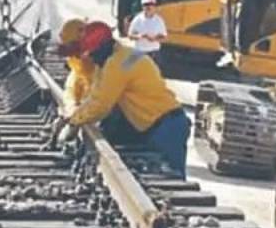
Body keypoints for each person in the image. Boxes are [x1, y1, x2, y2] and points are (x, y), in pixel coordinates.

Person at [55, 20, 191, 178]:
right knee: (165, 176)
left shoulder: (117, 65)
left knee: (172, 178)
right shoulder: (119, 56)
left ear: (101, 49)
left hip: (167, 126)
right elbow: (94, 94)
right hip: (158, 124)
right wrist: (74, 113)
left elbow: (101, 104)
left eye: (92, 54)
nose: (90, 59)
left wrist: (73, 122)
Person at [127, 0, 167, 66]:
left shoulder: (159, 20)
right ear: (142, 6)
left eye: (151, 4)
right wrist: (140, 36)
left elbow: (164, 37)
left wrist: (154, 38)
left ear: (155, 6)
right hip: (139, 52)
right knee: (126, 67)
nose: (148, 7)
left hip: (154, 53)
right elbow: (130, 35)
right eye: (146, 4)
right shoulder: (137, 19)